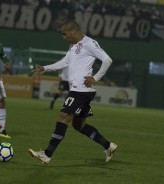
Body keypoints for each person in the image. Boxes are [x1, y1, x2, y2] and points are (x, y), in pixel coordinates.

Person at [29, 20, 117, 165]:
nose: (64, 37)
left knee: (63, 116)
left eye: (65, 34)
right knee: (78, 125)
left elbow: (107, 60)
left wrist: (95, 78)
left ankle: (47, 154)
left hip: (81, 91)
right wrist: (45, 68)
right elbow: (65, 62)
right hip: (81, 91)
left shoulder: (89, 43)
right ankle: (108, 146)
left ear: (74, 32)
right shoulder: (73, 45)